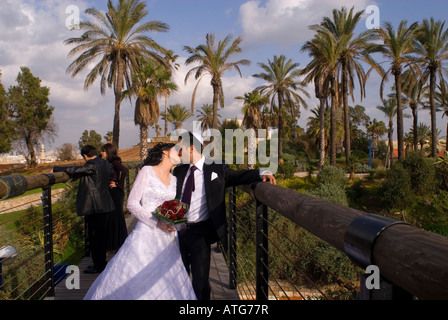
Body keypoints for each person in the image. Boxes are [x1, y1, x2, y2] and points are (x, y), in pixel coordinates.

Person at [83, 143, 196, 300]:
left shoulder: (175, 179)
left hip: (168, 238)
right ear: (165, 152)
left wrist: (175, 223)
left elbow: (172, 207)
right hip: (146, 233)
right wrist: (157, 222)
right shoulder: (147, 171)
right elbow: (132, 203)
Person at [174, 132, 276, 300]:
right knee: (179, 277)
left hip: (200, 233)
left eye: (180, 148)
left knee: (200, 282)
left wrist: (260, 172)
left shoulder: (216, 167)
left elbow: (236, 176)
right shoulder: (179, 171)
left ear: (191, 148)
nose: (177, 152)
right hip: (177, 231)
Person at [53, 145, 115, 274]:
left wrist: (55, 169)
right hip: (105, 204)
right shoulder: (105, 163)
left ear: (85, 156)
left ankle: (99, 266)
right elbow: (111, 174)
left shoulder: (92, 164)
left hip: (95, 206)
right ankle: (101, 263)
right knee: (101, 236)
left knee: (94, 237)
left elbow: (76, 170)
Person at [101, 143, 129, 251]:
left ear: (108, 152)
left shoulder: (114, 161)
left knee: (116, 217)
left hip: (115, 192)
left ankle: (118, 243)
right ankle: (116, 243)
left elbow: (125, 170)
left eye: (103, 151)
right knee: (114, 217)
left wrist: (118, 184)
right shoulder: (108, 162)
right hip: (113, 192)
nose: (101, 153)